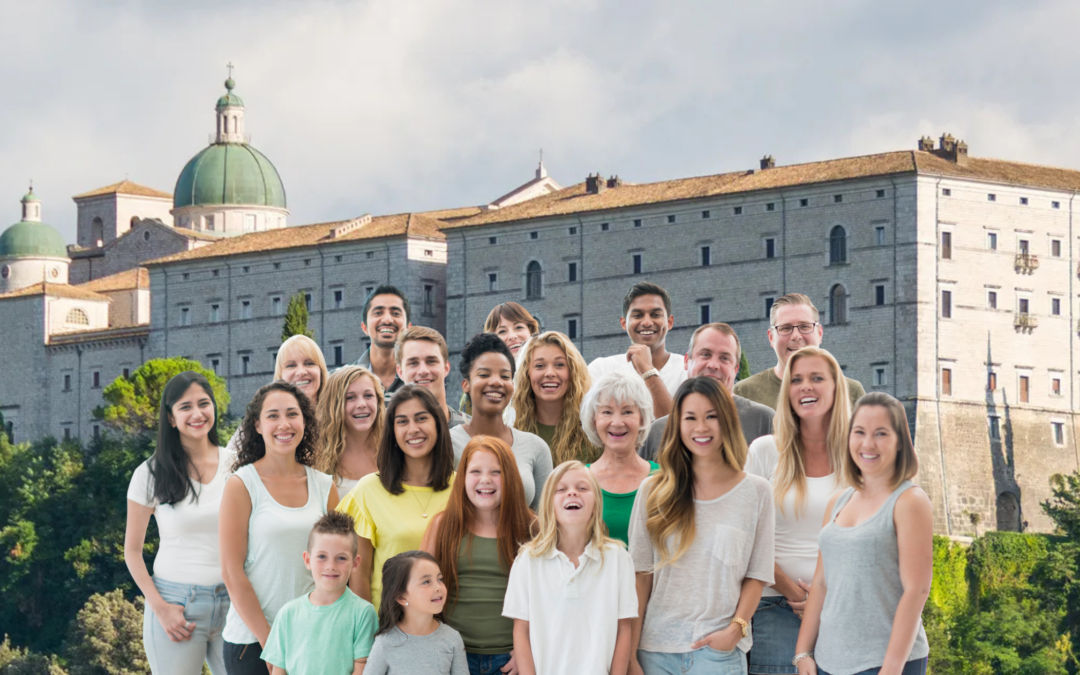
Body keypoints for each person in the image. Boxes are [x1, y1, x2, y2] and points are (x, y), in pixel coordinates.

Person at [628, 377, 775, 675]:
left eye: (711, 417)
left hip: (719, 654)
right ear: (677, 425)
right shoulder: (652, 491)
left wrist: (735, 631)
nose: (701, 428)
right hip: (655, 652)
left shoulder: (756, 492)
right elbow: (640, 577)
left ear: (728, 421)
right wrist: (630, 655)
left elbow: (757, 575)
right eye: (690, 418)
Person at [793, 393, 932, 675]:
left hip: (882, 662)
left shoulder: (910, 501)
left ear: (900, 442)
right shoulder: (838, 502)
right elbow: (820, 582)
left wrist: (891, 669)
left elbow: (916, 590)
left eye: (881, 433)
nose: (868, 443)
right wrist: (803, 652)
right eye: (859, 432)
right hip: (828, 661)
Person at [219, 381, 338, 675]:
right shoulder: (241, 484)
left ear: (304, 421)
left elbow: (338, 568)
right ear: (258, 425)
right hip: (253, 644)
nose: (283, 424)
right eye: (272, 415)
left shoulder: (325, 487)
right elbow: (231, 572)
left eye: (292, 414)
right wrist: (272, 645)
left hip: (314, 639)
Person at [744, 347, 850, 675]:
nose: (805, 386)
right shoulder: (765, 451)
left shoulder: (859, 455)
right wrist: (796, 595)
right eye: (796, 380)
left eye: (817, 378)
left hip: (844, 609)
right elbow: (746, 538)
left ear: (836, 388)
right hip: (776, 608)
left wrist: (823, 600)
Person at [125, 372, 232, 675]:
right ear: (171, 418)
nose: (197, 414)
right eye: (185, 407)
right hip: (176, 605)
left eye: (204, 404)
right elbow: (132, 552)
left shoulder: (237, 463)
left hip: (233, 602)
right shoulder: (150, 473)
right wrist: (160, 608)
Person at [503, 461, 637, 675]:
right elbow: (521, 630)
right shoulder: (527, 560)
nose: (572, 493)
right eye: (561, 489)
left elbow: (623, 628)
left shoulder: (618, 558)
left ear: (596, 503)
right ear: (548, 504)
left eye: (582, 488)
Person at [421, 436, 536, 675]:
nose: (485, 479)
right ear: (462, 478)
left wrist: (529, 650)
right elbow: (420, 590)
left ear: (511, 478)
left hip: (511, 659)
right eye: (475, 471)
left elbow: (550, 600)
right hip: (453, 656)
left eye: (496, 472)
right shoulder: (442, 525)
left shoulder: (532, 529)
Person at [337, 385, 456, 609]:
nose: (413, 429)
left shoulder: (462, 488)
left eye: (421, 418)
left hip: (450, 627)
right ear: (392, 431)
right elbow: (358, 575)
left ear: (438, 424)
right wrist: (370, 634)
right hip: (389, 630)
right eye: (402, 421)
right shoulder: (369, 489)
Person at [261, 512, 378, 675]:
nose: (331, 566)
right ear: (308, 560)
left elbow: (363, 667)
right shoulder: (288, 613)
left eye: (341, 558)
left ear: (355, 563)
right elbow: (278, 669)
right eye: (322, 556)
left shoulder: (363, 613)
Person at [640, 323, 774, 462]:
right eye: (705, 354)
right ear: (686, 361)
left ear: (736, 369)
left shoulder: (764, 421)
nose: (713, 365)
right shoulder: (657, 432)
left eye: (724, 358)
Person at [451, 333, 553, 511]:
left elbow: (544, 523)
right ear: (465, 384)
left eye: (505, 376)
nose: (496, 382)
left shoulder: (536, 447)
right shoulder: (448, 443)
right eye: (484, 374)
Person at [733, 294, 865, 411]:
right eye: (785, 328)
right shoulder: (745, 393)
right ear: (771, 338)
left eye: (804, 327)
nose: (796, 336)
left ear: (819, 333)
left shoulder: (851, 392)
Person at [587, 282, 687, 419]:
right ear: (624, 323)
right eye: (638, 315)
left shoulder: (687, 370)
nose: (646, 322)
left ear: (669, 322)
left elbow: (675, 431)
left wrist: (647, 370)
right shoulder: (601, 369)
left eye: (655, 315)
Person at [581, 371, 658, 545]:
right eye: (607, 412)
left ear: (642, 418)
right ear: (594, 419)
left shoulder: (663, 479)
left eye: (627, 412)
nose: (617, 422)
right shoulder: (579, 482)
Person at [365, 551, 470, 675]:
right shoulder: (385, 642)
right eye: (426, 582)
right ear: (402, 597)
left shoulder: (452, 638)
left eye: (439, 579)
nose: (438, 587)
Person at [226, 335, 330, 456]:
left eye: (309, 363)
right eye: (291, 365)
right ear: (280, 375)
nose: (301, 372)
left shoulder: (337, 415)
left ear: (321, 370)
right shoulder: (261, 416)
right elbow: (228, 460)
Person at [512, 331, 596, 464]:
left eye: (559, 365)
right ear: (527, 373)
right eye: (539, 366)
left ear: (573, 372)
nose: (550, 373)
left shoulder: (594, 431)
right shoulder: (511, 430)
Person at [460, 302, 540, 417]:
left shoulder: (545, 376)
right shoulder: (476, 388)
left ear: (530, 331)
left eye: (519, 327)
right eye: (502, 331)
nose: (512, 336)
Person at [316, 366, 386, 497]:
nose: (361, 404)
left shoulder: (394, 449)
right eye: (350, 397)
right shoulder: (317, 456)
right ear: (334, 405)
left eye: (368, 395)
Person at [395, 326, 468, 428]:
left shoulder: (471, 431)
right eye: (413, 363)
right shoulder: (386, 432)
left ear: (446, 368)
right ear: (400, 372)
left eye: (431, 361)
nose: (423, 371)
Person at [352, 285, 412, 401]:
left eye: (395, 313)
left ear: (408, 328)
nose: (387, 320)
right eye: (378, 313)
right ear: (364, 327)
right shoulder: (342, 381)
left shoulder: (419, 380)